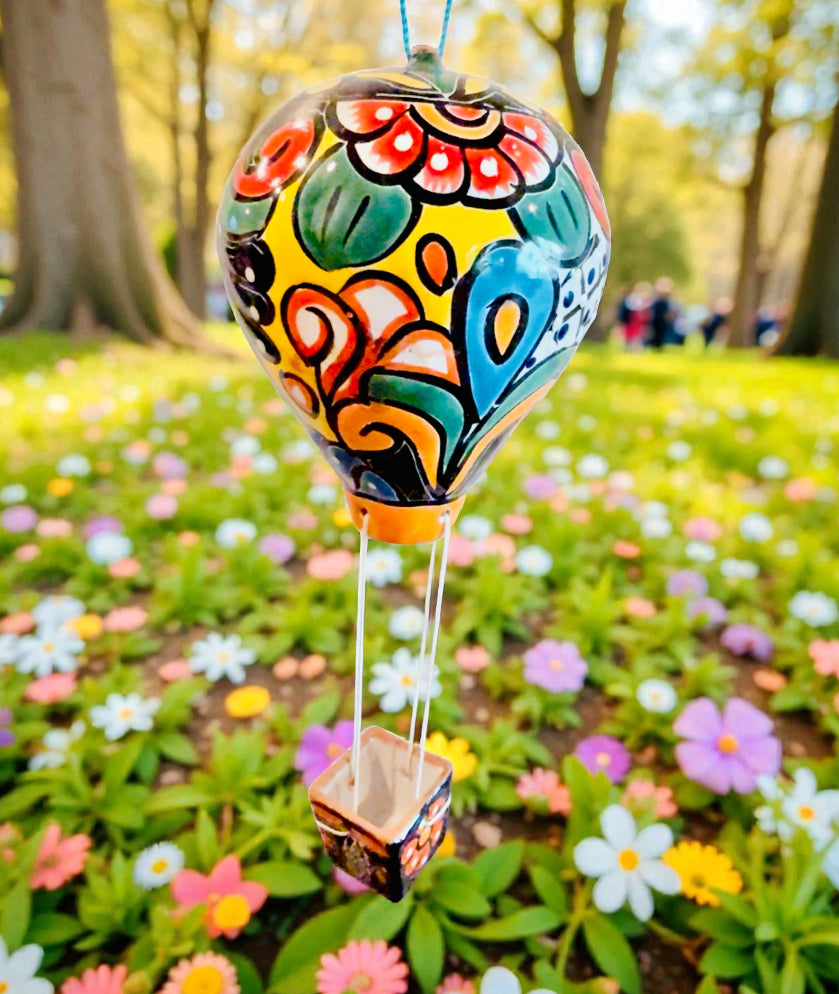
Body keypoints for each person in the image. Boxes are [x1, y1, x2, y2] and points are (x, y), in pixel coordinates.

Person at [647, 277, 677, 350]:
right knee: (655, 332)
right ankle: (654, 345)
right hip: (657, 317)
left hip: (662, 317)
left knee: (661, 332)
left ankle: (658, 345)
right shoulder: (657, 299)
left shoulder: (666, 300)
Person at [622, 282, 651, 352]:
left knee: (639, 337)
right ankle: (629, 349)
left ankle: (637, 350)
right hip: (633, 322)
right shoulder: (632, 299)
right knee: (631, 336)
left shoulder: (647, 301)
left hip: (641, 323)